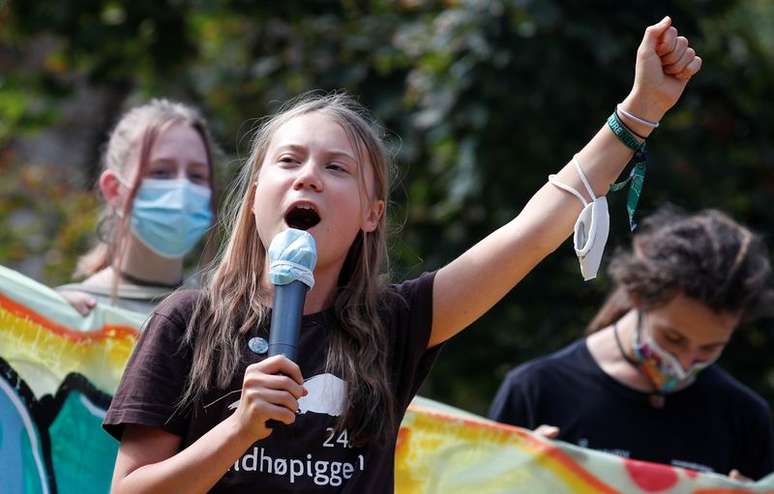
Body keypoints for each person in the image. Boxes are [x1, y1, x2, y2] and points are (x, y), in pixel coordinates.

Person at [103, 17, 702, 493]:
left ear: (372, 215)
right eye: (287, 162)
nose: (307, 178)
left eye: (336, 168)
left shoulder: (396, 326)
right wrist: (238, 430)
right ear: (255, 195)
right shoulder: (186, 322)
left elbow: (533, 230)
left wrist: (639, 112)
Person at [489, 206, 774, 480]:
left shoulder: (745, 417)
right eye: (672, 338)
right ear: (637, 296)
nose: (684, 362)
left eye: (710, 348)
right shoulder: (537, 390)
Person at [57, 99, 218, 315]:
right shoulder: (72, 309)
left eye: (197, 175)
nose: (182, 188)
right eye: (161, 172)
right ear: (114, 189)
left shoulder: (216, 318)